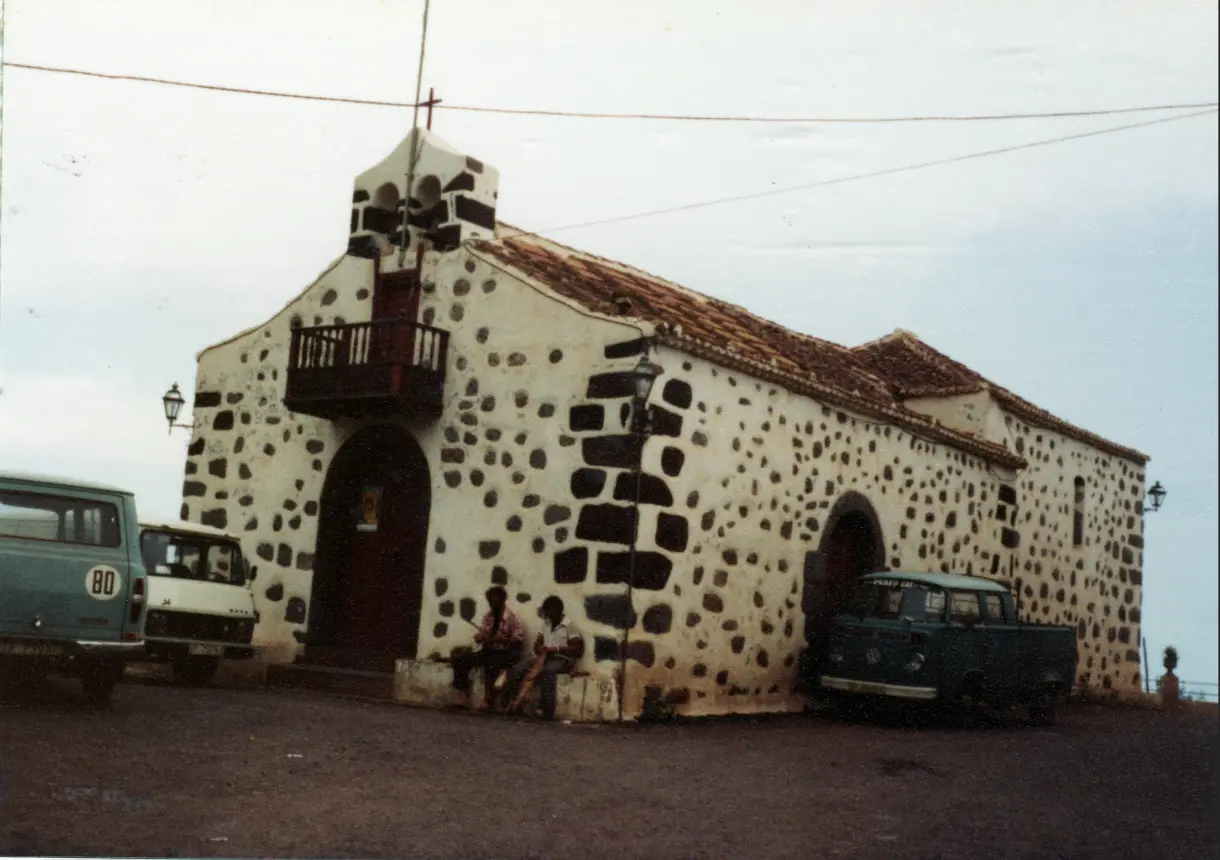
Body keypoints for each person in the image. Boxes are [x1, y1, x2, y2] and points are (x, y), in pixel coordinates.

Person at [504, 596, 584, 720]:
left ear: (558, 611)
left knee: (547, 672)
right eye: (546, 612)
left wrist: (556, 649)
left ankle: (546, 711)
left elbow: (576, 648)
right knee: (516, 669)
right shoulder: (546, 624)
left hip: (562, 659)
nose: (547, 615)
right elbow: (537, 643)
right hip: (544, 657)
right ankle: (515, 703)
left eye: (550, 611)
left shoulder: (569, 625)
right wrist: (539, 648)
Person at [450, 586, 523, 709]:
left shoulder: (512, 617)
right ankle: (463, 695)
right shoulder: (489, 616)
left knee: (492, 662)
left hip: (508, 652)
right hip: (490, 650)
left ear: (502, 601)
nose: (492, 605)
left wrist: (502, 640)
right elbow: (484, 633)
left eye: (494, 602)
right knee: (461, 659)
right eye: (490, 602)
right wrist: (480, 637)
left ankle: (488, 700)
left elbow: (518, 641)